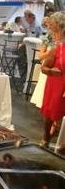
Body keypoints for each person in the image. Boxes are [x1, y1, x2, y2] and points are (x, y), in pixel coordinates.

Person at [39, 11, 65, 148]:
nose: (50, 26)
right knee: (50, 112)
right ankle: (46, 137)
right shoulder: (57, 48)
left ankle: (61, 140)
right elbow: (43, 68)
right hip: (55, 83)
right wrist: (51, 71)